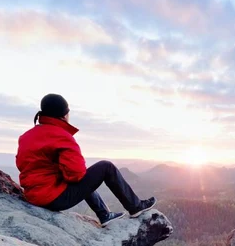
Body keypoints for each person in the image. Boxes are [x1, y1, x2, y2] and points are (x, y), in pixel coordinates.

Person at [16, 94, 156, 227]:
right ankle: (135, 207)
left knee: (83, 176)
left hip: (33, 196)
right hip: (54, 198)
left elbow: (21, 164)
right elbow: (76, 175)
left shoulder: (26, 136)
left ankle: (104, 215)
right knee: (105, 167)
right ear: (64, 115)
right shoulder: (61, 136)